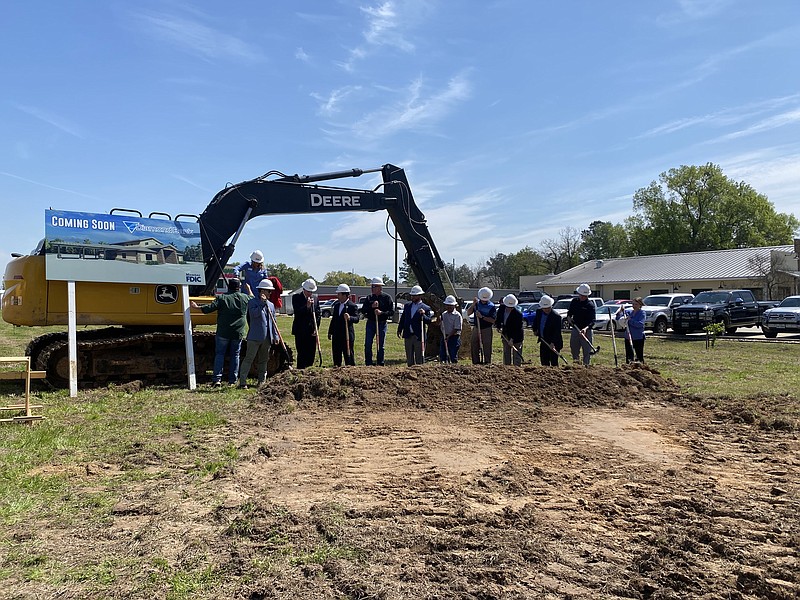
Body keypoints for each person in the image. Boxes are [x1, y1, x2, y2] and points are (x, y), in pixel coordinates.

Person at [191, 277, 250, 386]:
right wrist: (249, 289)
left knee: (220, 354)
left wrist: (196, 307)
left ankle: (217, 379)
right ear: (239, 287)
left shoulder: (222, 298)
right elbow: (252, 298)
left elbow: (209, 308)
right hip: (238, 332)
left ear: (229, 286)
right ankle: (232, 380)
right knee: (235, 355)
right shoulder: (245, 298)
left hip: (223, 331)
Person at [237, 279, 279, 388]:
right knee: (249, 359)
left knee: (264, 360)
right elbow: (255, 315)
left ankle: (261, 381)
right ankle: (242, 382)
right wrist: (261, 303)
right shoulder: (252, 302)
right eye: (269, 291)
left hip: (267, 338)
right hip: (254, 337)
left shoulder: (271, 305)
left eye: (271, 291)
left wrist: (275, 335)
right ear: (262, 291)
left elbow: (273, 321)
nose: (270, 293)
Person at [359, 277, 394, 366]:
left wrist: (381, 312)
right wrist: (371, 306)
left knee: (380, 345)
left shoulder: (387, 298)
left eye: (374, 287)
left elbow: (391, 312)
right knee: (367, 344)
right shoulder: (369, 298)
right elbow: (363, 310)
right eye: (372, 286)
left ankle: (380, 363)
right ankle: (368, 363)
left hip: (382, 323)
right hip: (371, 323)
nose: (372, 288)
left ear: (379, 287)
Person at [396, 285, 432, 366]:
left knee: (419, 357)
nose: (412, 297)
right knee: (409, 357)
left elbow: (429, 321)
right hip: (408, 335)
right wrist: (399, 329)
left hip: (418, 336)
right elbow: (403, 319)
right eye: (412, 295)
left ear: (420, 296)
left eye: (414, 296)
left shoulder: (426, 308)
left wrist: (423, 315)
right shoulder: (407, 306)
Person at [327, 283, 360, 366]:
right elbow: (334, 319)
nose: (337, 296)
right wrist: (330, 331)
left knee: (348, 354)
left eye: (339, 294)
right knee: (336, 355)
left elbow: (357, 319)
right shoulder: (337, 305)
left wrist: (349, 318)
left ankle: (350, 370)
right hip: (336, 335)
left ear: (344, 295)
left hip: (347, 335)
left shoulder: (352, 306)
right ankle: (337, 369)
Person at [292, 278, 321, 369]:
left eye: (311, 291)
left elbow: (318, 314)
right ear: (304, 289)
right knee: (301, 353)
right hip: (300, 331)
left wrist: (316, 329)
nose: (310, 293)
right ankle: (300, 371)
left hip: (311, 331)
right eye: (308, 291)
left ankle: (309, 371)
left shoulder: (315, 298)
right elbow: (297, 312)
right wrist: (307, 306)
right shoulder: (296, 297)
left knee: (311, 353)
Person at [567, 283, 597, 366]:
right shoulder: (574, 302)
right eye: (581, 295)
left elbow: (593, 321)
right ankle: (576, 366)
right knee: (574, 349)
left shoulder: (590, 305)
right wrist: (569, 318)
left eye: (584, 295)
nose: (582, 297)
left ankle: (586, 367)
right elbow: (569, 313)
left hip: (586, 331)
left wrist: (585, 328)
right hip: (575, 329)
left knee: (586, 352)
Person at [467, 287, 496, 364]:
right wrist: (473, 305)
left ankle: (487, 362)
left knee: (487, 346)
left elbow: (493, 320)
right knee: (474, 344)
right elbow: (468, 313)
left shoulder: (491, 306)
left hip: (486, 328)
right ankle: (476, 362)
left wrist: (482, 317)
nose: (483, 300)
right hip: (476, 327)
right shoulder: (476, 304)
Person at [532, 295, 564, 366]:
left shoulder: (556, 317)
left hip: (554, 343)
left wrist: (553, 343)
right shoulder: (539, 312)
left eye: (548, 308)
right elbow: (536, 322)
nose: (546, 310)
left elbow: (557, 332)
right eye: (544, 308)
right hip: (543, 341)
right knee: (544, 361)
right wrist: (535, 330)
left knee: (554, 362)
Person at [496, 294, 525, 366]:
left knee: (517, 355)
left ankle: (517, 369)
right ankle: (507, 368)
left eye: (511, 307)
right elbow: (498, 319)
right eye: (508, 307)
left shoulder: (518, 314)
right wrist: (498, 326)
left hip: (517, 336)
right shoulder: (501, 309)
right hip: (506, 334)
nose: (510, 308)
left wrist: (512, 339)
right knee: (506, 353)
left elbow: (518, 329)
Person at [616, 297, 646, 363]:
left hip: (638, 337)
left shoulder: (642, 313)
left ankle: (640, 368)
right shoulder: (629, 312)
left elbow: (640, 324)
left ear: (640, 305)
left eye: (636, 304)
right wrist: (620, 311)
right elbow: (618, 317)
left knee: (639, 355)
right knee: (629, 355)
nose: (634, 306)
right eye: (633, 304)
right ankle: (629, 367)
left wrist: (630, 321)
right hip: (628, 337)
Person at [439, 295, 462, 363]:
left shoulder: (457, 315)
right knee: (443, 354)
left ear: (454, 305)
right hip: (444, 336)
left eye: (451, 305)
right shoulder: (444, 314)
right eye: (447, 305)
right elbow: (439, 324)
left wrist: (448, 337)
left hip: (453, 337)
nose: (449, 307)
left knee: (452, 355)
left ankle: (453, 368)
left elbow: (457, 328)